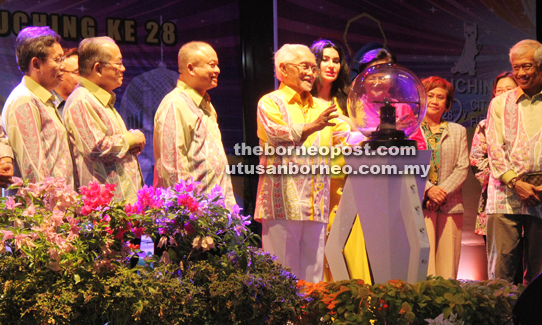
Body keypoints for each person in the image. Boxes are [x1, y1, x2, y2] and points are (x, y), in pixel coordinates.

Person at [255, 43, 353, 283]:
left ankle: (310, 321)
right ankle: (281, 322)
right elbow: (277, 134)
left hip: (317, 203)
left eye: (313, 67)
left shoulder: (323, 107)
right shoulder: (270, 102)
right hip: (282, 204)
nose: (311, 72)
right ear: (282, 69)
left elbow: (348, 138)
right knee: (281, 277)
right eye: (304, 66)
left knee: (314, 278)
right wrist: (313, 127)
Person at [486, 39, 542, 285]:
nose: (521, 73)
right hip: (505, 194)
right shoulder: (499, 104)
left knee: (540, 270)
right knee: (500, 270)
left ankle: (534, 324)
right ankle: (501, 323)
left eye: (527, 66)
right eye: (516, 67)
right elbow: (494, 148)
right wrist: (516, 183)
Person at [310, 39, 368, 282]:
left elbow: (368, 135)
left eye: (336, 60)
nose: (331, 65)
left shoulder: (348, 100)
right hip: (316, 187)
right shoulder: (304, 102)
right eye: (325, 59)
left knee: (349, 250)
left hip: (349, 185)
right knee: (318, 251)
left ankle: (356, 309)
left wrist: (357, 139)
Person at [153, 41, 236, 207]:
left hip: (213, 211)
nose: (217, 70)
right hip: (193, 215)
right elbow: (172, 166)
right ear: (190, 68)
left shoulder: (206, 104)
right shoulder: (175, 104)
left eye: (217, 65)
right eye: (212, 65)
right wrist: (189, 211)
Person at [64, 36, 145, 202]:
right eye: (118, 63)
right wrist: (129, 140)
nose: (123, 68)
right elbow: (95, 147)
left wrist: (131, 145)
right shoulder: (82, 100)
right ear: (98, 68)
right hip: (105, 211)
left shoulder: (100, 99)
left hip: (121, 208)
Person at [1, 26, 74, 186]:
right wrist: (50, 210)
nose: (64, 67)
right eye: (58, 59)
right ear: (36, 64)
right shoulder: (24, 101)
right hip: (43, 209)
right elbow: (34, 173)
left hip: (58, 208)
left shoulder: (42, 99)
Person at [410, 77, 468, 278]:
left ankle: (446, 309)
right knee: (424, 269)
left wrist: (440, 192)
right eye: (430, 95)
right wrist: (428, 189)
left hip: (450, 205)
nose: (434, 100)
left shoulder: (458, 131)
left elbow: (462, 168)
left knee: (447, 269)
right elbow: (407, 165)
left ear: (447, 104)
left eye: (440, 97)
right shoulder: (410, 131)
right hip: (420, 204)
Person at [470, 72, 517, 278]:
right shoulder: (484, 125)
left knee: (522, 260)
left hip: (526, 198)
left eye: (509, 89)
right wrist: (502, 179)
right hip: (496, 195)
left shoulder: (529, 125)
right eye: (499, 90)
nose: (504, 94)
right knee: (499, 263)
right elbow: (476, 161)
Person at [51, 48, 79, 118]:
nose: (84, 78)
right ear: (60, 74)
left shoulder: (85, 102)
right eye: (77, 72)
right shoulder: (46, 105)